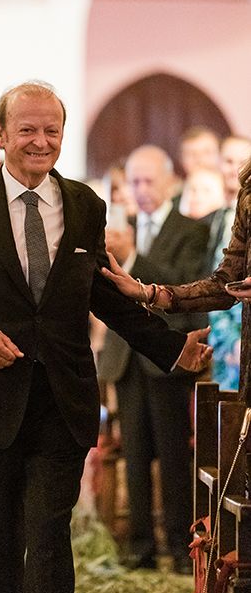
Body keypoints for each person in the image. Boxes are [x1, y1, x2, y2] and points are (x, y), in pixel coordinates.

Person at [0, 81, 212, 593]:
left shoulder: (84, 205)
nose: (40, 141)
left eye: (51, 130)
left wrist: (172, 349)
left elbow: (102, 295)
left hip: (62, 399)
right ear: (1, 134)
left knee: (49, 538)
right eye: (27, 129)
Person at [98, 145, 209, 574]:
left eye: (149, 182)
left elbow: (184, 285)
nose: (141, 191)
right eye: (135, 182)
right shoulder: (118, 225)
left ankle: (181, 548)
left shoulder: (190, 230)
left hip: (166, 357)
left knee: (172, 453)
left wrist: (132, 259)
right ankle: (139, 547)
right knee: (136, 452)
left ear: (169, 183)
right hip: (126, 358)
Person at [101, 144, 251, 408]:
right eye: (135, 181)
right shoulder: (248, 193)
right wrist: (148, 293)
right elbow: (223, 285)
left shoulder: (189, 229)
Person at [203, 136, 251, 390]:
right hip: (225, 347)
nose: (235, 168)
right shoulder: (217, 217)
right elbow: (218, 282)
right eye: (229, 160)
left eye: (241, 161)